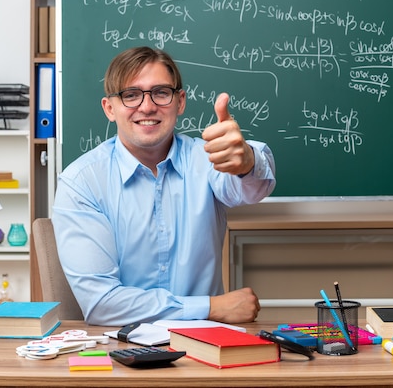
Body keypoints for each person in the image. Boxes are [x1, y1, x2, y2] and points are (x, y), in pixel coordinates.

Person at [52, 46, 276, 326]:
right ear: (110, 109)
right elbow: (102, 304)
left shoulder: (206, 159)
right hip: (119, 350)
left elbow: (253, 189)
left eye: (160, 92)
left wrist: (247, 160)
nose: (147, 106)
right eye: (130, 95)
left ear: (180, 102)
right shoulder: (81, 182)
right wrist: (210, 307)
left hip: (205, 347)